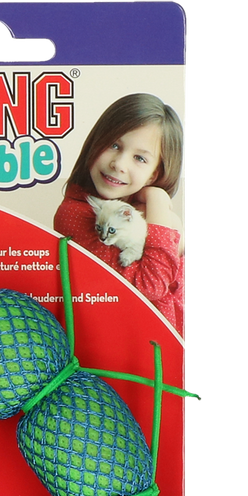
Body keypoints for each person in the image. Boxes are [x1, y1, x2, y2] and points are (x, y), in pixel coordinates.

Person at [54, 93, 185, 335]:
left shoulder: (137, 210)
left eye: (139, 158)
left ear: (154, 174)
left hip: (164, 347)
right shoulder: (77, 215)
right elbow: (152, 285)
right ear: (96, 143)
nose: (119, 164)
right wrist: (158, 198)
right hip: (122, 351)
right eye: (114, 145)